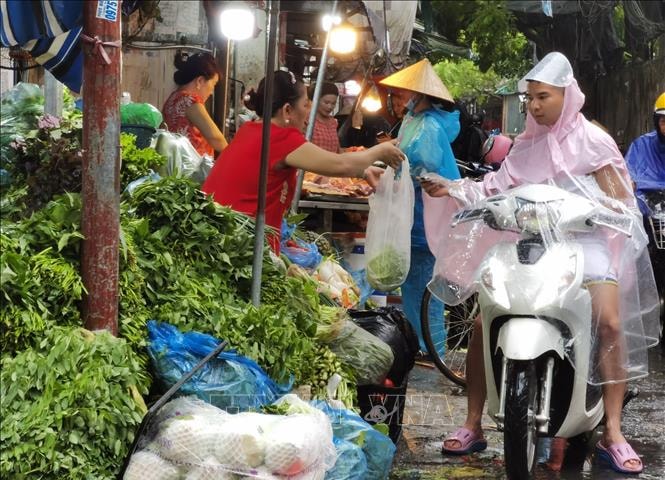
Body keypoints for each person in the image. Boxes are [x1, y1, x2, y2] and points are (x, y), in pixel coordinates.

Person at [422, 52, 659, 474]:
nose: (533, 106)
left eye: (542, 97)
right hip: (528, 244)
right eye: (529, 97)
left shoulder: (594, 142)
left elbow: (623, 202)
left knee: (608, 323)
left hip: (587, 245)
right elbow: (495, 187)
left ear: (566, 96)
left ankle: (614, 431)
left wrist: (594, 211)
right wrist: (453, 189)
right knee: (482, 323)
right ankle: (473, 423)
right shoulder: (525, 144)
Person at [201, 70, 404, 252]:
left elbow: (332, 162)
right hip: (239, 245)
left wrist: (364, 171)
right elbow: (339, 164)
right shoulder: (280, 137)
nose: (309, 111)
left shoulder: (250, 130)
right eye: (306, 104)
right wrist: (379, 151)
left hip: (220, 235)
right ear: (287, 110)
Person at [378, 59, 461, 356]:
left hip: (426, 218)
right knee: (414, 287)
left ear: (420, 95)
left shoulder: (428, 126)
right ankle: (419, 346)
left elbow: (425, 168)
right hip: (414, 217)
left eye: (403, 93)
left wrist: (396, 174)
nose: (398, 99)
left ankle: (430, 351)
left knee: (426, 289)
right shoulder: (415, 120)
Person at [162, 52, 228, 157]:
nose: (211, 92)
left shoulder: (173, 97)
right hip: (192, 168)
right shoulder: (190, 100)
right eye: (213, 84)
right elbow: (215, 138)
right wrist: (234, 155)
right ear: (200, 81)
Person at [308, 82, 341, 153]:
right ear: (316, 100)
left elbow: (338, 149)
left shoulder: (333, 122)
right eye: (326, 102)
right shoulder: (307, 120)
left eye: (333, 103)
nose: (330, 107)